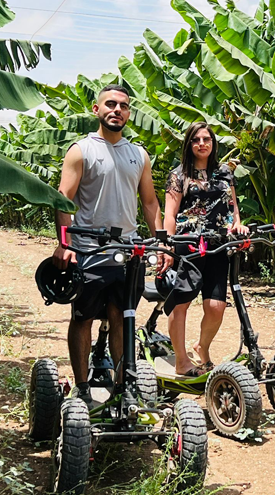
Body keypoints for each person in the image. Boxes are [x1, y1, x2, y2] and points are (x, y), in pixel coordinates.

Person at [53, 84, 164, 404]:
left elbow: (150, 203)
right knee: (82, 316)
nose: (117, 110)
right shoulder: (81, 150)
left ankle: (122, 389)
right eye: (110, 104)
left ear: (129, 113)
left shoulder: (138, 154)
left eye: (124, 106)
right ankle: (83, 388)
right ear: (96, 109)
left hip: (128, 249)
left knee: (122, 314)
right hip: (89, 247)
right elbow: (64, 200)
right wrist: (66, 243)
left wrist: (159, 242)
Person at [164, 122, 248, 376]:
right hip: (188, 246)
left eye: (207, 139)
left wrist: (238, 225)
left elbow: (232, 207)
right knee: (182, 303)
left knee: (216, 307)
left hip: (219, 245)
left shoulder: (224, 173)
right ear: (189, 144)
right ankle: (181, 360)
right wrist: (166, 244)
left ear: (213, 143)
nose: (202, 144)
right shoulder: (178, 176)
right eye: (196, 140)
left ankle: (202, 346)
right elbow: (170, 214)